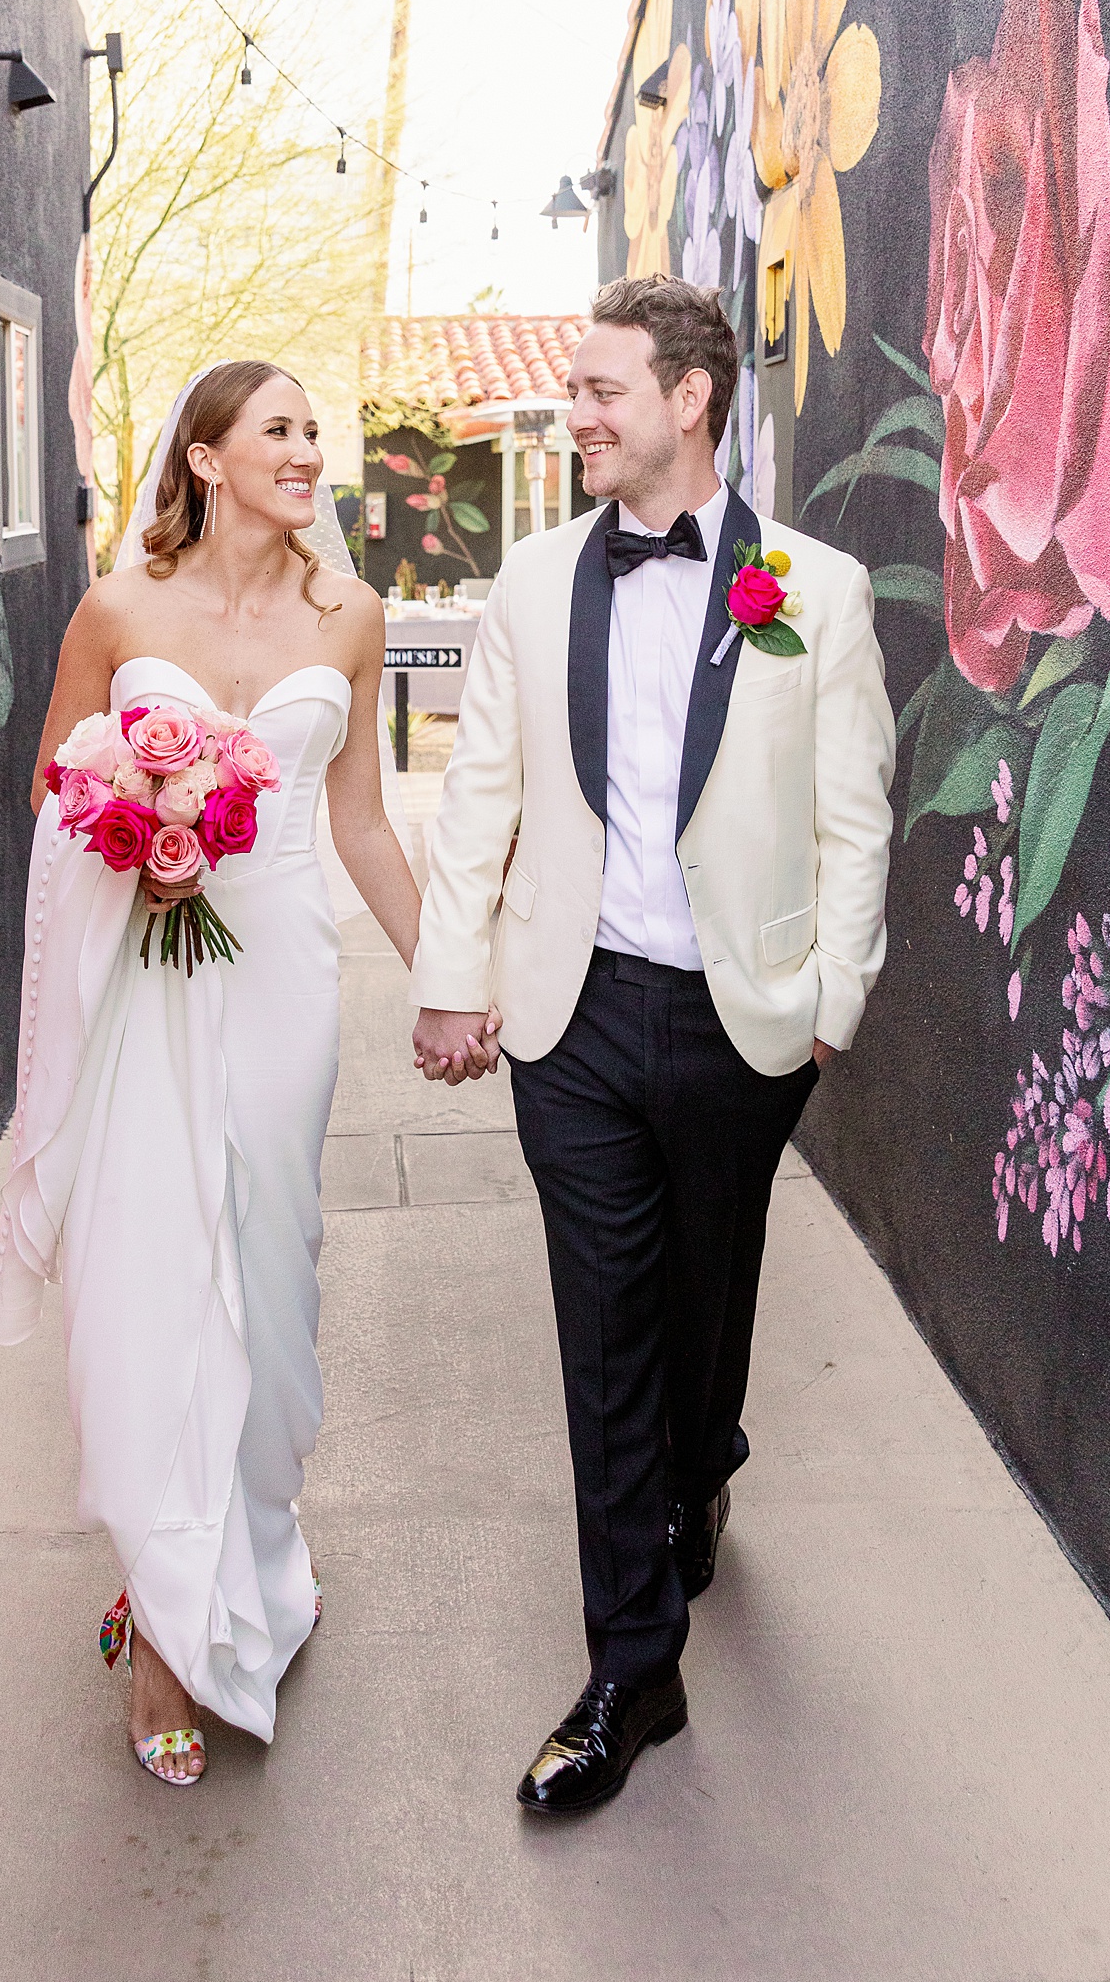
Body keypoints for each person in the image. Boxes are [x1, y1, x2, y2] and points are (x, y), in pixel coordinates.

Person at [411, 275, 895, 1816]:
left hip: (743, 1015)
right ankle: (636, 1661)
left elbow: (852, 812)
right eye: (577, 383)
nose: (580, 410)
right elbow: (481, 790)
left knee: (707, 1291)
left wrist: (835, 1002)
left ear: (690, 398)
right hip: (572, 1014)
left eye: (604, 385)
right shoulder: (534, 581)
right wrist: (450, 975)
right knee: (605, 1327)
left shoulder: (813, 588)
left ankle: (706, 1457)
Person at [0, 361, 495, 1785]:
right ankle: (158, 1619)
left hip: (280, 974)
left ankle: (255, 1553)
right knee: (151, 1270)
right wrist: (134, 832)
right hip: (142, 975)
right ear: (203, 458)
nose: (309, 452)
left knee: (269, 1271)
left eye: (313, 433)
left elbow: (367, 828)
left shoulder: (353, 617)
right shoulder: (120, 611)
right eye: (281, 430)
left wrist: (450, 976)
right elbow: (50, 784)